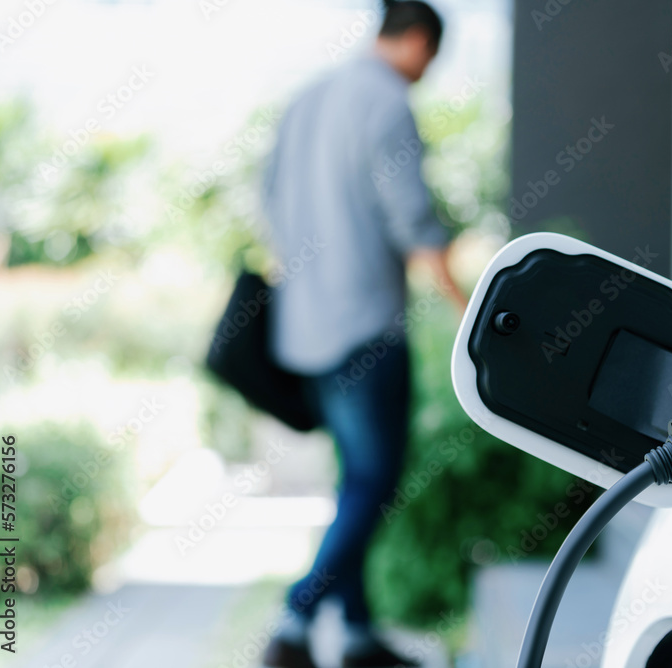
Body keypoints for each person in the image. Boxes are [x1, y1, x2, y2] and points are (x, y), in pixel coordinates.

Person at [259, 2, 465, 667]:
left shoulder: (307, 98)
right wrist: (468, 305)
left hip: (307, 326)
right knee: (375, 480)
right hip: (367, 327)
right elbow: (413, 220)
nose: (425, 75)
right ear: (415, 42)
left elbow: (268, 204)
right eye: (429, 59)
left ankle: (353, 638)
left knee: (355, 480)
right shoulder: (385, 103)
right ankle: (294, 619)